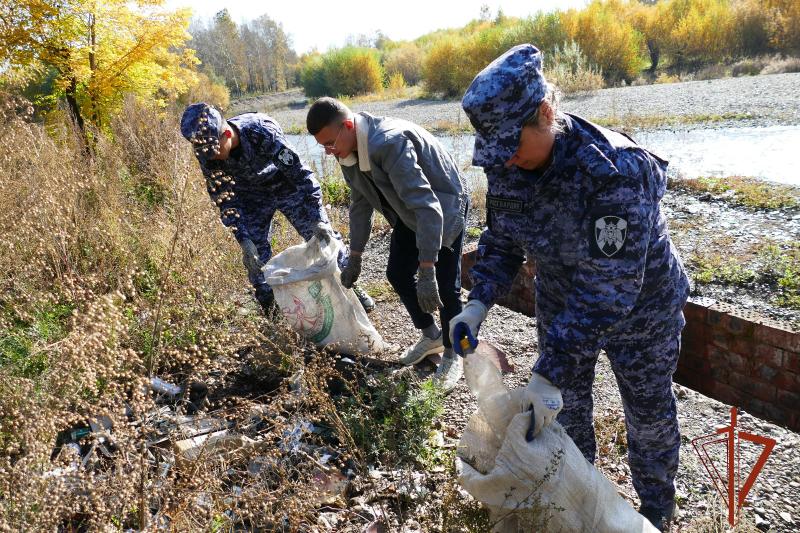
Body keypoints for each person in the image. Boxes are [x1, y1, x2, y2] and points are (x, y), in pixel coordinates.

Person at [451, 44, 689, 531]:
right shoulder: (507, 162)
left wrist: (548, 369)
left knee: (648, 416)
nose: (508, 161)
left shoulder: (614, 170)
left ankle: (656, 513)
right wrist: (476, 303)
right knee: (566, 413)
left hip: (641, 311)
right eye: (498, 152)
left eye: (513, 146)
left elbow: (610, 288)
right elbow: (502, 237)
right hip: (562, 304)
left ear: (545, 113)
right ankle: (581, 502)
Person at [306, 98, 470, 391]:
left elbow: (428, 207)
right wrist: (354, 256)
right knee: (396, 272)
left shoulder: (389, 142)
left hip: (443, 207)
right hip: (408, 211)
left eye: (330, 143)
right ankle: (430, 334)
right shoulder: (347, 151)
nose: (328, 151)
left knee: (445, 287)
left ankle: (453, 352)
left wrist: (428, 268)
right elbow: (360, 206)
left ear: (347, 126)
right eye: (323, 146)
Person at [180, 102, 375, 316]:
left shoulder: (260, 131)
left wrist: (317, 216)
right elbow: (223, 198)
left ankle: (351, 287)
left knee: (322, 237)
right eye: (205, 152)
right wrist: (242, 238)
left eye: (215, 150)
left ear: (226, 133)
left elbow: (300, 173)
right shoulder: (206, 150)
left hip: (285, 182)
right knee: (255, 257)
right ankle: (272, 311)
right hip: (251, 194)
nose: (212, 157)